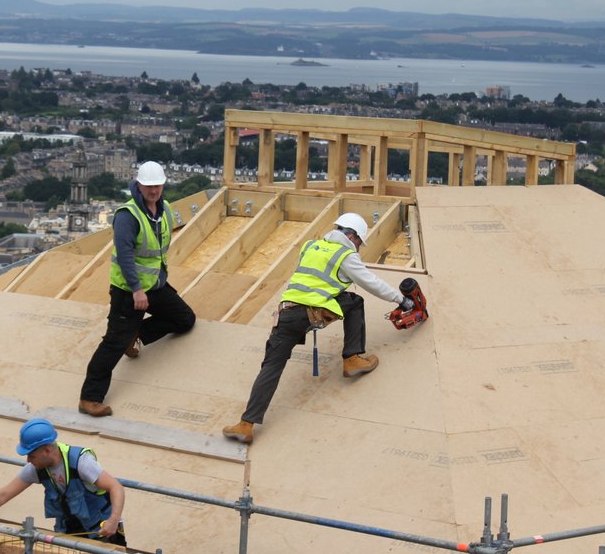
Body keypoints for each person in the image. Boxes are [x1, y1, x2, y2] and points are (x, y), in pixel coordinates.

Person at [222, 212, 416, 445]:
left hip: (285, 313)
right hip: (312, 311)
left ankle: (246, 425)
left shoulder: (311, 246)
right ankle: (352, 358)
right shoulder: (345, 254)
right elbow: (371, 283)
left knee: (271, 367)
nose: (358, 248)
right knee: (355, 303)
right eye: (359, 243)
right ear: (352, 236)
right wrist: (402, 301)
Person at [78, 161, 196, 417]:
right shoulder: (127, 216)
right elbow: (125, 256)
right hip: (128, 291)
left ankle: (137, 335)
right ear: (139, 185)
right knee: (113, 343)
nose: (153, 190)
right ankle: (89, 398)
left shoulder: (164, 209)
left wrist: (154, 283)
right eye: (149, 186)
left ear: (163, 184)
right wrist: (136, 290)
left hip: (154, 285)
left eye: (157, 185)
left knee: (184, 319)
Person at [0, 418, 127, 545]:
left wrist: (113, 520)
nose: (28, 460)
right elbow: (3, 495)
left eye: (31, 455)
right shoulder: (37, 467)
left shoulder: (81, 461)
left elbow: (116, 487)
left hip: (103, 531)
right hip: (71, 531)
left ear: (47, 450)